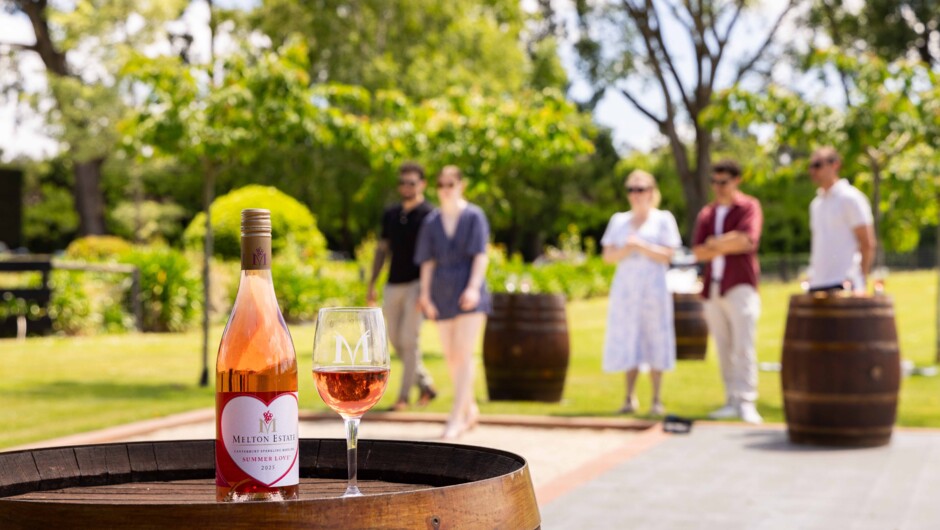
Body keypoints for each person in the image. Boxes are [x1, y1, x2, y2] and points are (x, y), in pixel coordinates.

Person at [414, 165, 491, 440]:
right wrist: (425, 295)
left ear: (461, 185)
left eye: (450, 184)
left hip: (469, 291)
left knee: (463, 352)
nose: (445, 190)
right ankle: (470, 410)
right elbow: (427, 261)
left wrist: (473, 288)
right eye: (441, 185)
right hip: (441, 293)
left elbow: (481, 255)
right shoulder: (431, 222)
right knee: (451, 356)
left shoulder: (474, 216)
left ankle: (456, 416)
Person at [600, 170, 682, 416]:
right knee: (629, 338)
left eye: (641, 189)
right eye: (631, 189)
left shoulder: (663, 219)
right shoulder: (618, 220)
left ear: (651, 191)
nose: (636, 194)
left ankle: (656, 399)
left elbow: (669, 254)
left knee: (655, 337)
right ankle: (629, 397)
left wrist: (641, 246)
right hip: (626, 290)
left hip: (654, 289)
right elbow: (608, 256)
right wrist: (627, 248)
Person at [692, 159, 764, 424]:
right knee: (723, 347)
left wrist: (714, 243)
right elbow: (698, 251)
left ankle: (746, 401)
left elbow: (746, 241)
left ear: (736, 181)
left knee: (744, 345)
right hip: (713, 287)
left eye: (723, 182)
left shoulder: (748, 207)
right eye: (714, 182)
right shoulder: (708, 213)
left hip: (740, 284)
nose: (718, 187)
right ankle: (731, 400)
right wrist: (725, 243)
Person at [367, 162, 437, 411]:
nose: (406, 187)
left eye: (411, 183)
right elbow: (382, 250)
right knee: (395, 339)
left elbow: (434, 256)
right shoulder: (391, 214)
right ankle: (426, 384)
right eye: (402, 183)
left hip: (417, 284)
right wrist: (372, 283)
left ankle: (403, 397)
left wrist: (428, 292)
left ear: (422, 184)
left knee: (410, 340)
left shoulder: (430, 215)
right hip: (393, 284)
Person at [806, 146, 876, 293]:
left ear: (835, 165)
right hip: (817, 284)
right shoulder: (816, 204)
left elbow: (867, 242)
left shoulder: (850, 198)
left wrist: (861, 280)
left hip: (845, 283)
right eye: (811, 166)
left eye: (818, 165)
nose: (813, 170)